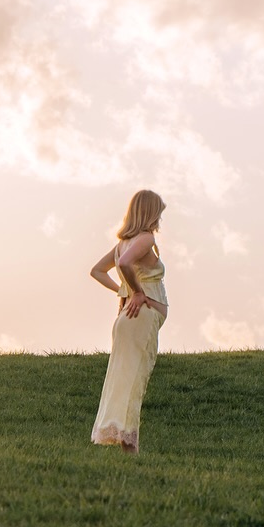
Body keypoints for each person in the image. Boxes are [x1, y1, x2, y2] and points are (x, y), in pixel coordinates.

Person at [89, 189, 169, 453]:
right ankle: (129, 447)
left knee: (123, 378)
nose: (160, 218)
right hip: (139, 318)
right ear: (150, 212)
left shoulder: (125, 241)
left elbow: (97, 271)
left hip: (128, 317)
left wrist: (124, 291)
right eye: (158, 212)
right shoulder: (145, 239)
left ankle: (122, 441)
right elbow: (124, 264)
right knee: (134, 379)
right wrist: (135, 291)